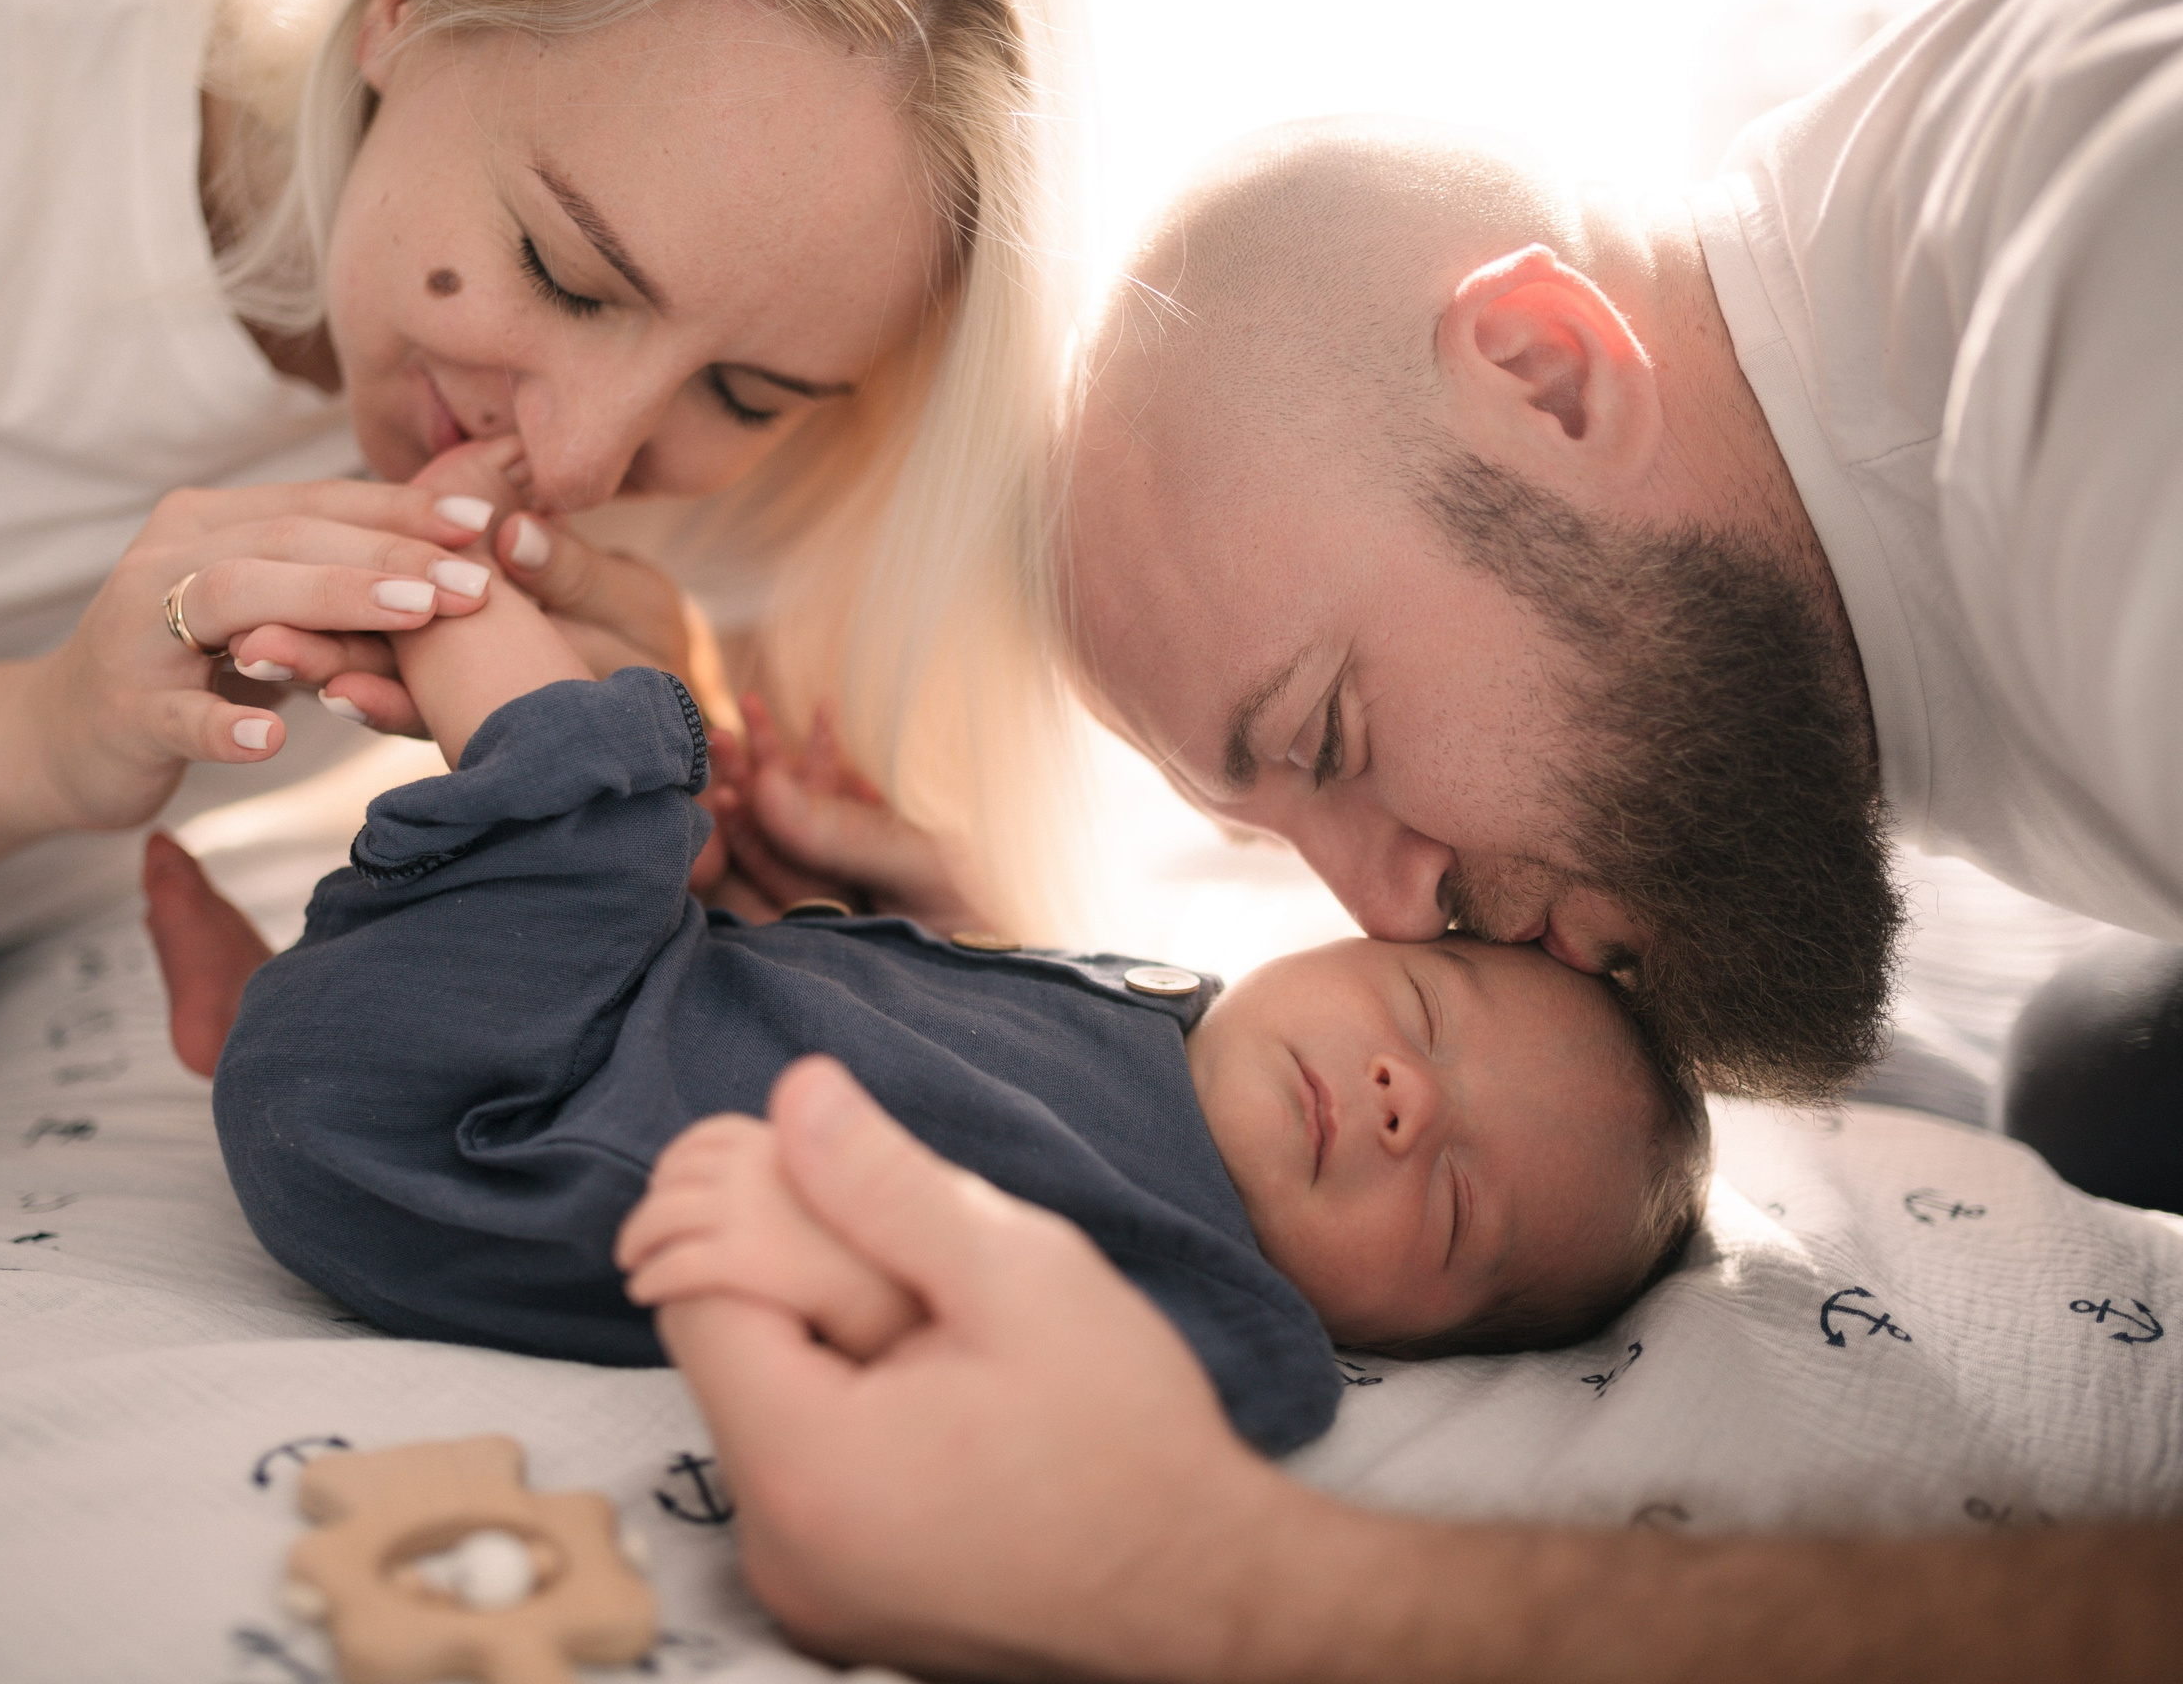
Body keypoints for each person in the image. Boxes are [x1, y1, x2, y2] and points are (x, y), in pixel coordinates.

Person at [647, 0, 2183, 1684]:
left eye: (1329, 740)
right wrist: (1019, 1001)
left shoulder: (2103, 354)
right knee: (2095, 1070)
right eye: (1274, 835)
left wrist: (1202, 1580)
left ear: (1547, 373)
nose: (1387, 908)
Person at [0, 0, 1076, 1253]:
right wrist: (40, 740)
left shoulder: (782, 458)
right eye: (564, 272)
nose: (582, 465)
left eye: (742, 397)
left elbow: (811, 1021)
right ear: (399, 14)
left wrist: (697, 838)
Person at [202, 564, 1711, 1453]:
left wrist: (844, 1284)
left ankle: (435, 574)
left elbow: (1087, 1401)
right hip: (532, 1031)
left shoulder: (1218, 1309)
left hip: (490, 1117)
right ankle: (253, 1013)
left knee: (615, 770)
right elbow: (937, 1017)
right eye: (1422, 1009)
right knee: (666, 881)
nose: (1404, 1099)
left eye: (1455, 1205)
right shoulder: (1165, 1017)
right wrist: (903, 894)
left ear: (1418, 1346)